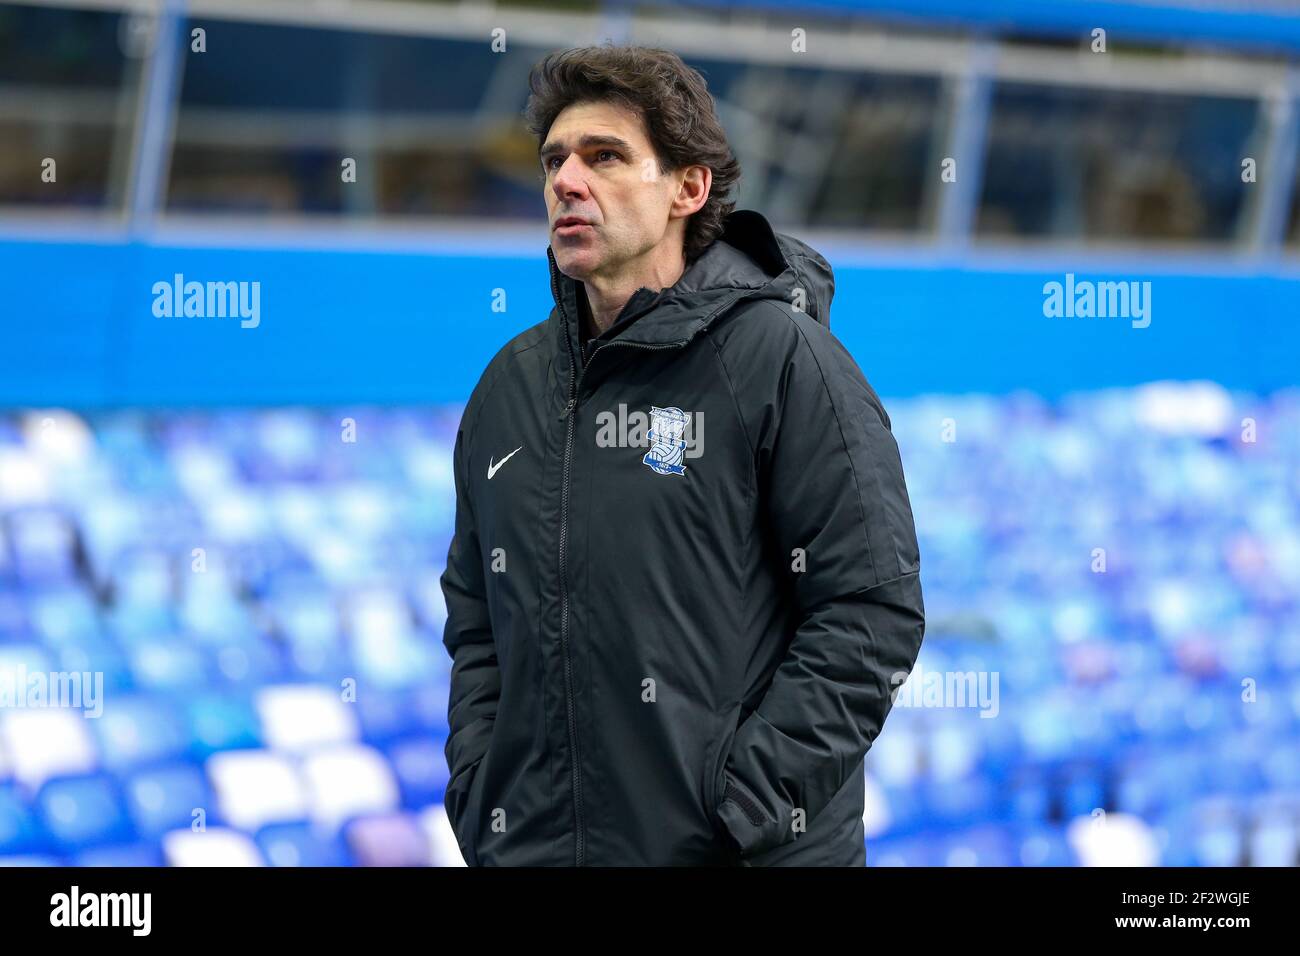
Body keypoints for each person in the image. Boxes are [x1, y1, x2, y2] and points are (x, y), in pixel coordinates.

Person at [440, 43, 925, 866]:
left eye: (605, 157)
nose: (566, 181)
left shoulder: (782, 360)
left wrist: (738, 813)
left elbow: (870, 615)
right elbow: (477, 616)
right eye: (555, 159)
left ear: (687, 188)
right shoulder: (509, 386)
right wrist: (486, 792)